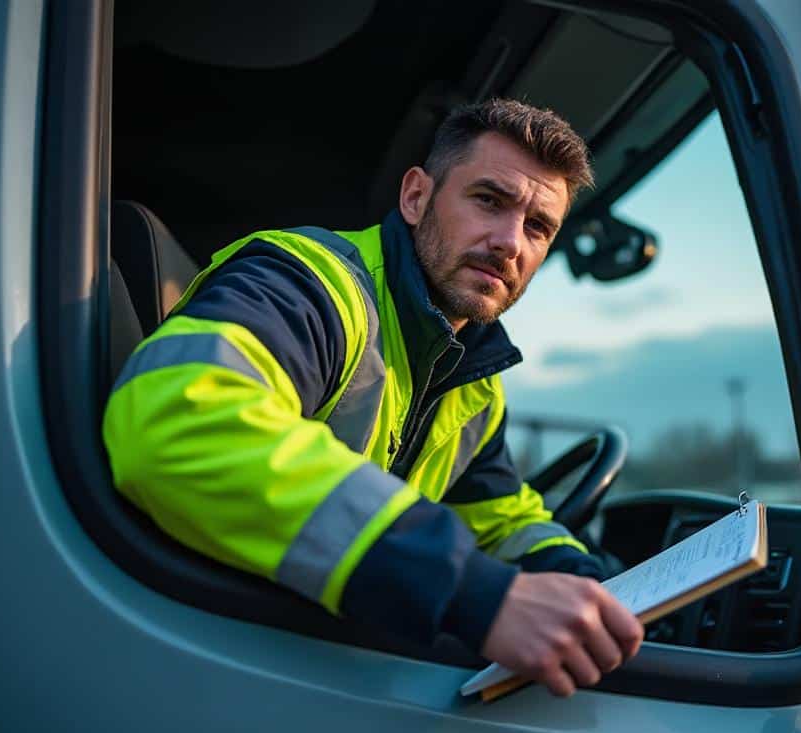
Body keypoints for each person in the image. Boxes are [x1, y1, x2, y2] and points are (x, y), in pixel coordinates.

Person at [104, 98, 642, 697]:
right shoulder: (313, 284)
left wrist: (592, 588)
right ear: (416, 198)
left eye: (538, 226)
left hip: (303, 665)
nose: (510, 242)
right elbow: (175, 420)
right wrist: (470, 591)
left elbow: (500, 520)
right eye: (489, 200)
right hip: (206, 656)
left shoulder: (473, 381)